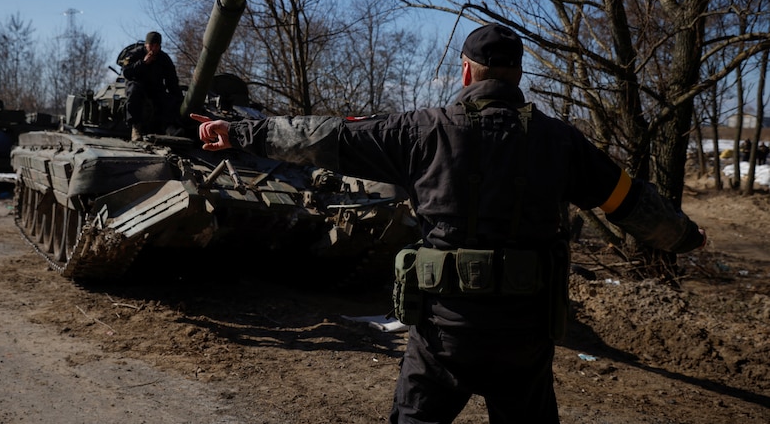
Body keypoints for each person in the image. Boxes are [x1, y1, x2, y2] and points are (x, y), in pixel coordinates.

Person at [191, 23, 706, 424]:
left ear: (466, 72)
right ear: (518, 75)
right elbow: (630, 202)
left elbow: (321, 137)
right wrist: (684, 238)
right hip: (524, 332)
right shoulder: (561, 142)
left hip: (443, 331)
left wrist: (238, 133)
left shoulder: (419, 132)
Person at [121, 31, 183, 140]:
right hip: (138, 87)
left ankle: (168, 127)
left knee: (168, 99)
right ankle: (136, 127)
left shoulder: (164, 59)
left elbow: (172, 81)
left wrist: (178, 99)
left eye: (157, 46)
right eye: (151, 45)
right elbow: (127, 73)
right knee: (134, 91)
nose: (154, 48)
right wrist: (143, 63)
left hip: (155, 88)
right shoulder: (135, 54)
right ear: (146, 44)